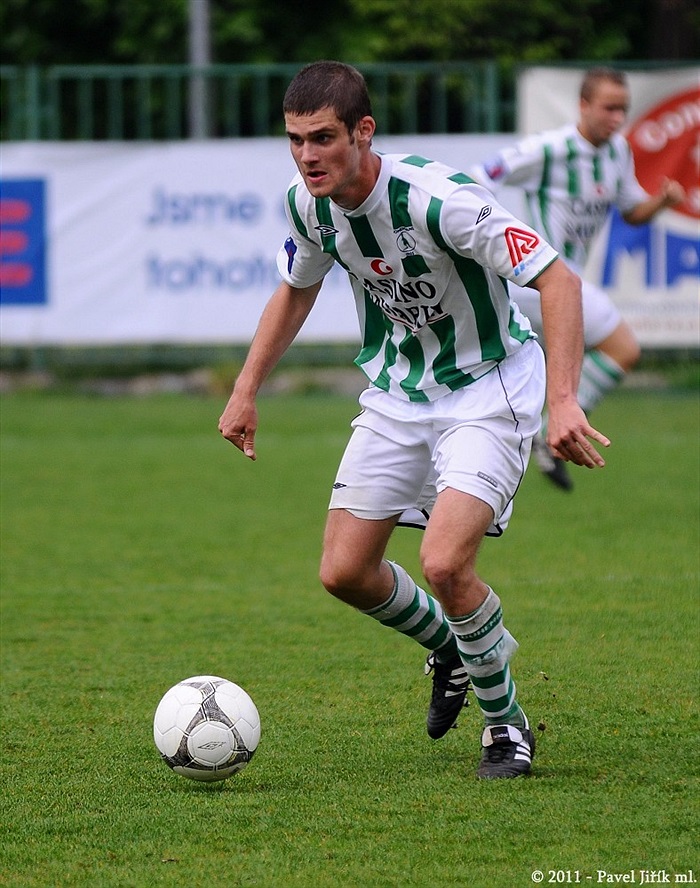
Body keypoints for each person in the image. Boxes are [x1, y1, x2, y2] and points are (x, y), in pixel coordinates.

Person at [219, 61, 609, 779]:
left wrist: (562, 400)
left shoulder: (442, 201)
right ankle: (455, 645)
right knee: (343, 572)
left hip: (489, 391)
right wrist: (246, 389)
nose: (308, 155)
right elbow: (295, 290)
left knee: (444, 562)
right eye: (296, 140)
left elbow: (557, 278)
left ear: (363, 132)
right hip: (400, 395)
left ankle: (506, 725)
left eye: (324, 138)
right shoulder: (309, 206)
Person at [469, 66, 685, 491]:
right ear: (583, 106)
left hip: (564, 286)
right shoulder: (549, 150)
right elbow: (478, 177)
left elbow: (631, 211)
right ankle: (552, 431)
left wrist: (661, 201)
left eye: (622, 109)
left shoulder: (617, 152)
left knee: (501, 370)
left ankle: (539, 432)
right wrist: (492, 235)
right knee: (623, 347)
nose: (617, 118)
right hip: (536, 281)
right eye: (608, 108)